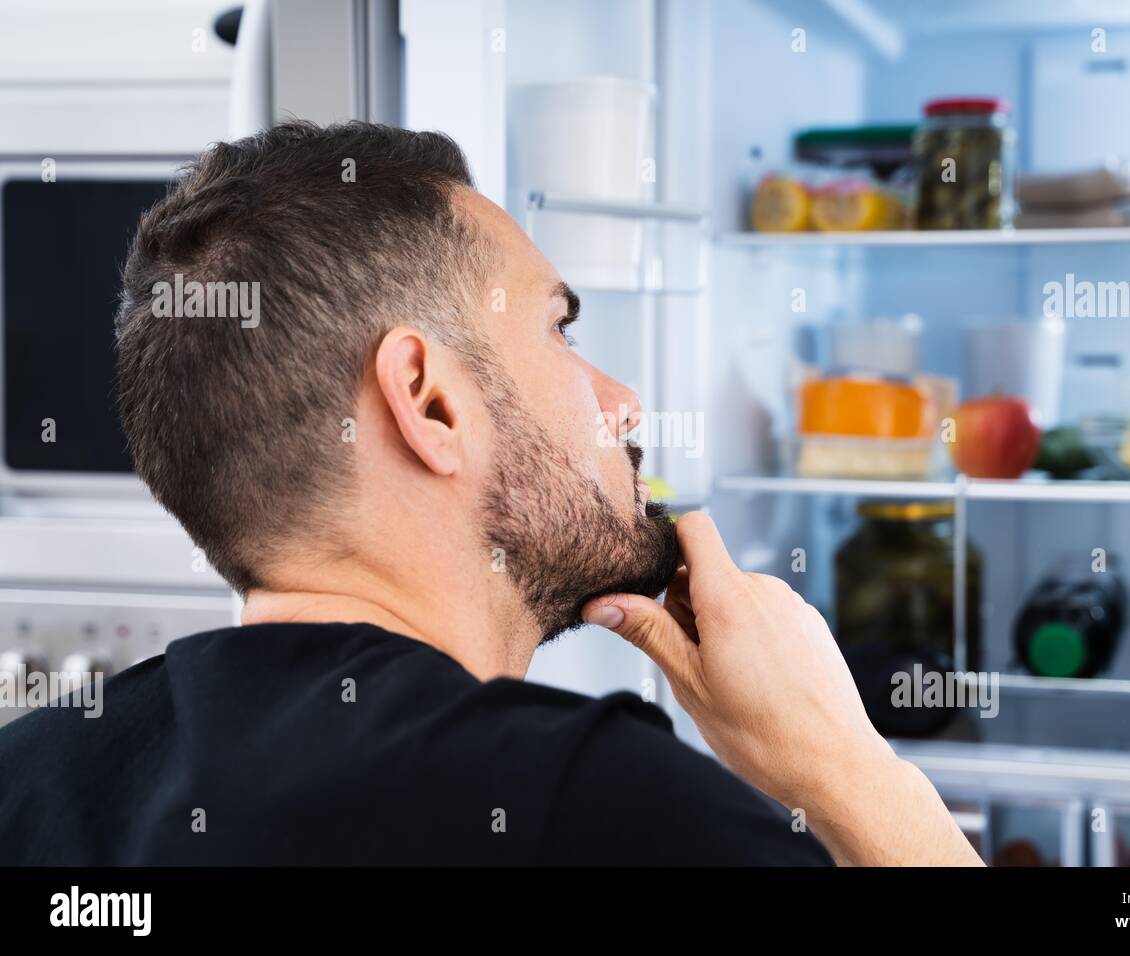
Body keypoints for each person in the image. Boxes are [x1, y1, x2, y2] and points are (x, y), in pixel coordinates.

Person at [0, 122, 979, 866]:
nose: (624, 404)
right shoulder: (603, 807)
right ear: (428, 401)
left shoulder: (34, 777)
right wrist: (845, 770)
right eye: (560, 330)